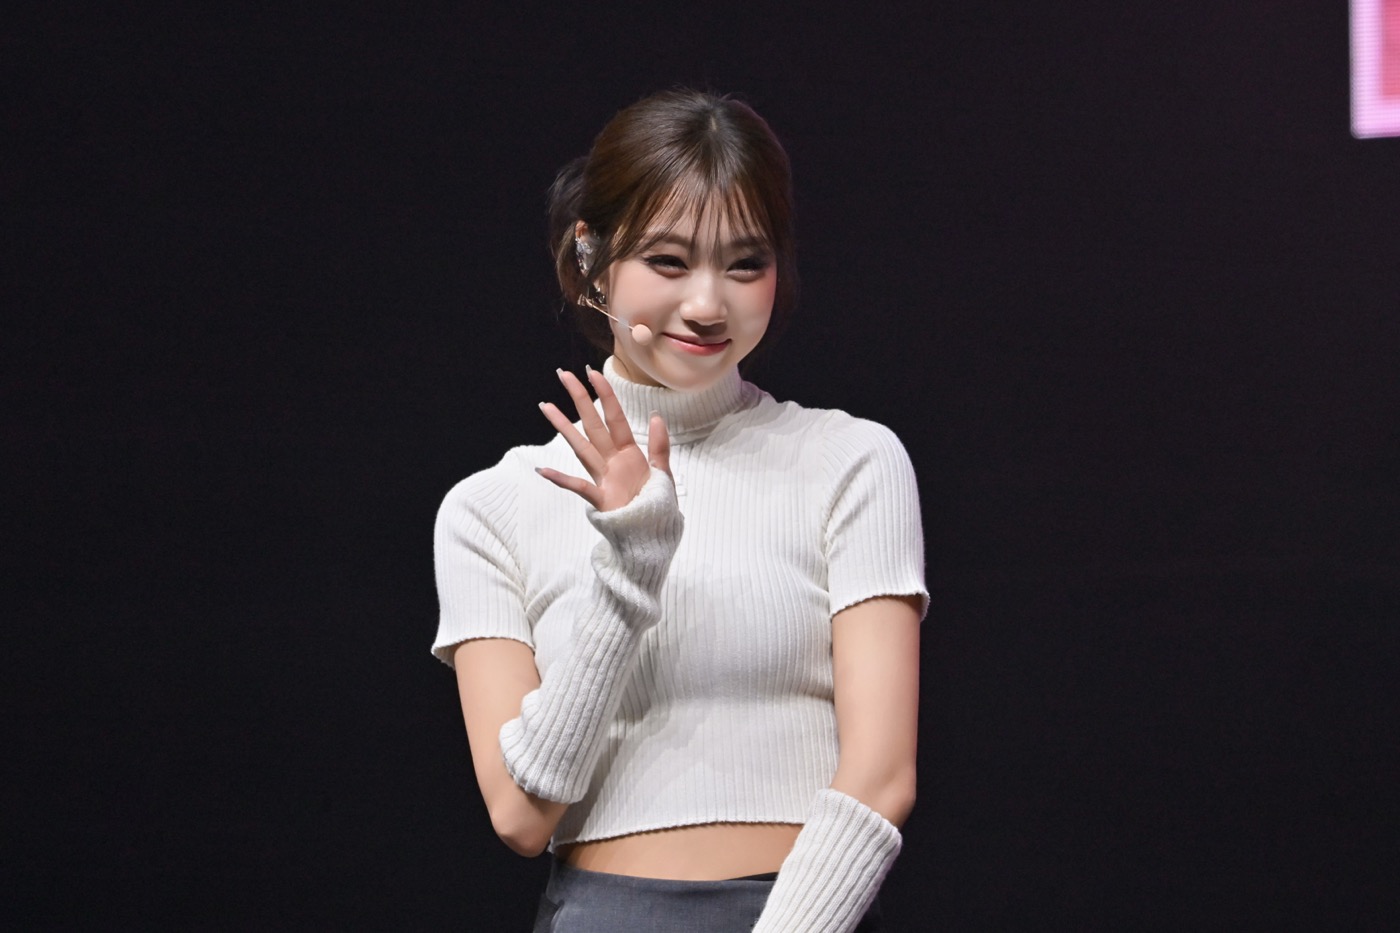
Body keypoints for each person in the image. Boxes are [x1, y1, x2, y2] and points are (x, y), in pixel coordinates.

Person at [432, 89, 927, 933]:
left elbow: (882, 776)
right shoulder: (492, 508)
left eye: (745, 264)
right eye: (668, 261)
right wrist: (631, 568)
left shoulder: (851, 461)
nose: (707, 304)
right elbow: (520, 813)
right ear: (591, 256)